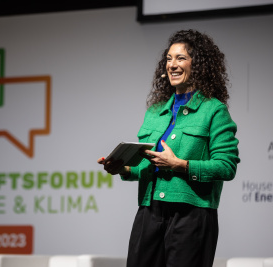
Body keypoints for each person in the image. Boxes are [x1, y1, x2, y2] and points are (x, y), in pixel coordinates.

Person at [97, 29, 240, 267]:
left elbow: (227, 167)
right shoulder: (155, 112)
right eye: (169, 59)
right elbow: (147, 166)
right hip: (149, 212)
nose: (172, 65)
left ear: (199, 64)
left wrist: (180, 165)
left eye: (181, 58)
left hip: (191, 216)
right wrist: (122, 169)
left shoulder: (214, 110)